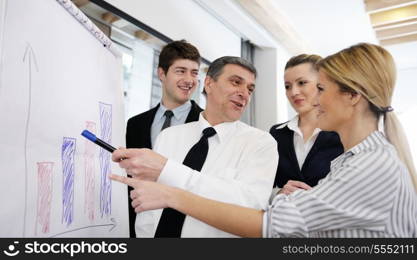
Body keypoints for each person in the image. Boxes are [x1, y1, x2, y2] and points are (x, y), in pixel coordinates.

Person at [112, 43, 417, 238]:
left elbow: (267, 221)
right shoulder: (351, 161)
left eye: (319, 88)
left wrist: (171, 190)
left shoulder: (371, 166)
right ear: (209, 84)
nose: (310, 97)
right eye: (235, 82)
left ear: (353, 96)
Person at [114, 56, 278, 237]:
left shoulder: (261, 144)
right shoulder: (169, 136)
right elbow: (148, 207)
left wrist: (168, 170)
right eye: (236, 82)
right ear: (208, 83)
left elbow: (249, 207)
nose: (244, 93)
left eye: (250, 89)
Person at [125, 39, 203, 237]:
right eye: (180, 71)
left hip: (186, 226)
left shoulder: (206, 124)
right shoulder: (135, 124)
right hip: (139, 225)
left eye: (194, 73)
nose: (189, 79)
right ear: (161, 73)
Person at [270, 54, 343, 196]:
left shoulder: (342, 132)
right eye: (287, 86)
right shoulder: (276, 133)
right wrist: (279, 193)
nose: (293, 92)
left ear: (322, 83)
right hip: (284, 216)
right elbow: (263, 186)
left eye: (302, 83)